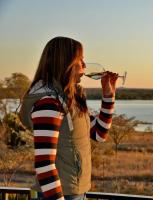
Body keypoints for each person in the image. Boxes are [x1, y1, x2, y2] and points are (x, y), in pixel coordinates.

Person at [19, 36, 118, 200]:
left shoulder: (69, 99)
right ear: (65, 63)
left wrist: (108, 96)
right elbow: (44, 164)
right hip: (57, 194)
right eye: (80, 60)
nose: (85, 66)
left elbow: (99, 134)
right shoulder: (48, 103)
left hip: (75, 191)